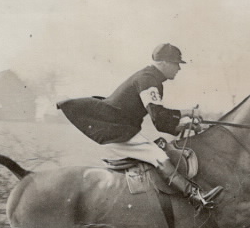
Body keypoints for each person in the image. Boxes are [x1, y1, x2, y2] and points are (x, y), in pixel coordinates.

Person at [57, 43, 223, 207]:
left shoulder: (151, 78)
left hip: (119, 128)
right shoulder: (148, 80)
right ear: (164, 63)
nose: (179, 68)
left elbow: (161, 124)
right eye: (176, 64)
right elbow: (158, 116)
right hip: (116, 130)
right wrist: (186, 113)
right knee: (159, 156)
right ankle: (196, 196)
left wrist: (184, 126)